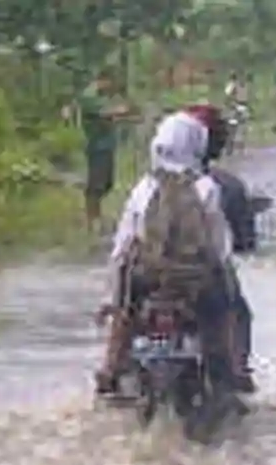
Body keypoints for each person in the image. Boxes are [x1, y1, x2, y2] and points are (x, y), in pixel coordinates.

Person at [94, 112, 250, 395]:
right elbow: (219, 246)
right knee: (224, 313)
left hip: (147, 280)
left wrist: (109, 298)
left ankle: (109, 371)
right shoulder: (206, 187)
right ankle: (230, 375)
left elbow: (122, 246)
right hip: (194, 284)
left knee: (124, 316)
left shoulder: (144, 187)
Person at [183, 103, 257, 388]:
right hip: (205, 278)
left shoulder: (147, 184)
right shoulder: (222, 186)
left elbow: (126, 241)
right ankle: (237, 370)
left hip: (151, 275)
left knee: (122, 309)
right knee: (237, 311)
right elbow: (236, 245)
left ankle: (110, 367)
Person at [77, 70, 134, 234]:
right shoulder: (90, 96)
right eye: (110, 82)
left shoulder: (103, 97)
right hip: (96, 146)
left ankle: (96, 217)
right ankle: (92, 219)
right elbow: (107, 112)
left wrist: (127, 115)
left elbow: (113, 117)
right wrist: (123, 109)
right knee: (96, 184)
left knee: (107, 183)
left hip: (106, 145)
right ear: (103, 80)